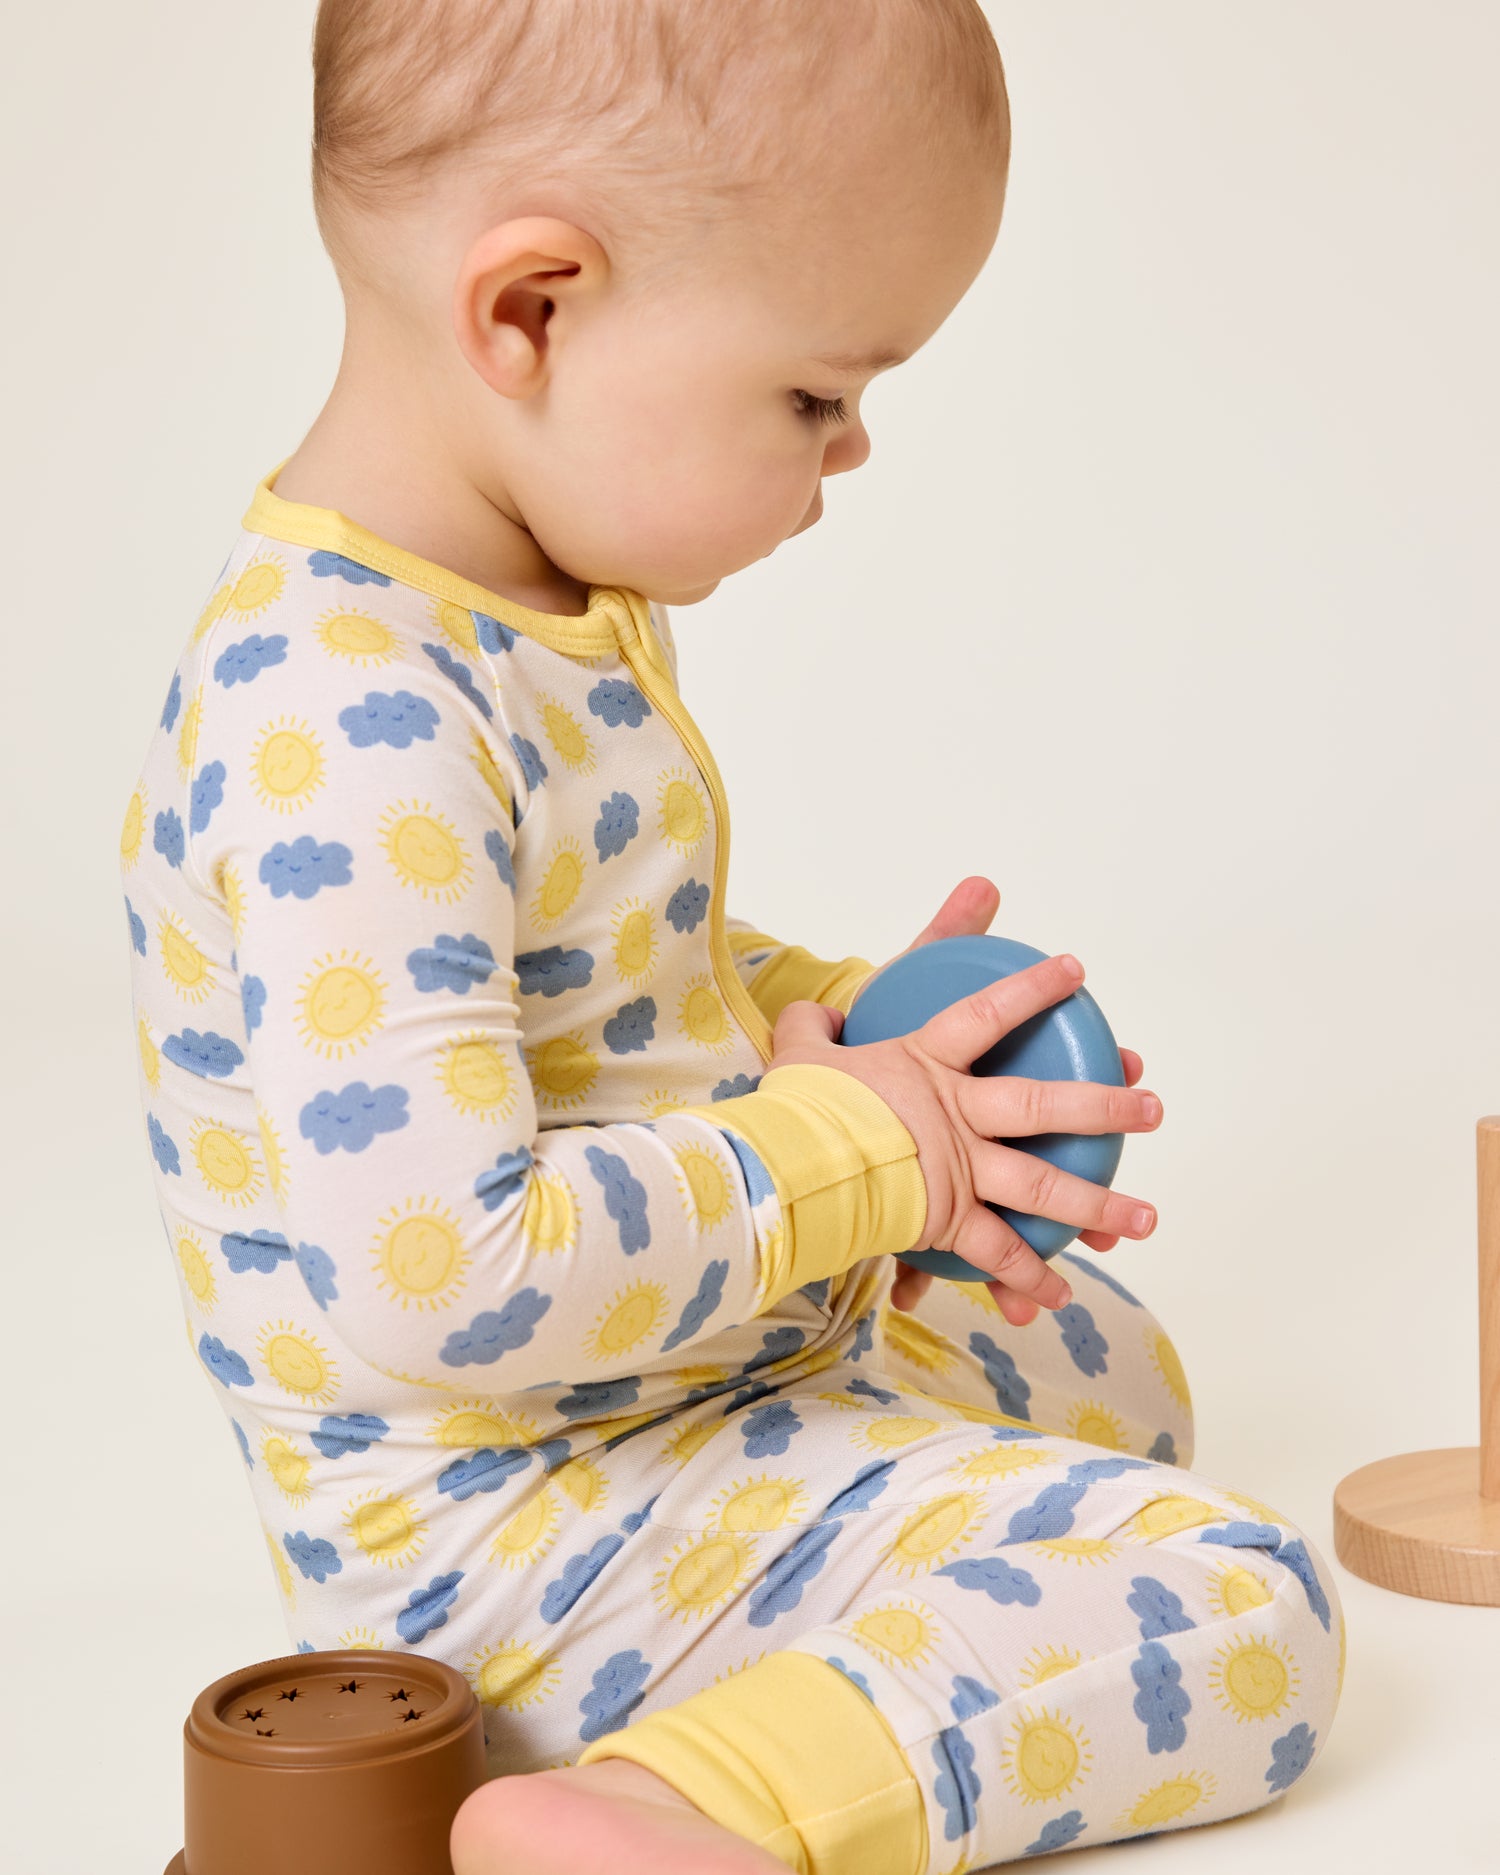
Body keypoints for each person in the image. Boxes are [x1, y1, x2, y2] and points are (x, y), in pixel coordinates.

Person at [119, 3, 1343, 1869]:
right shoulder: (343, 720)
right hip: (523, 1526)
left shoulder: (530, 598)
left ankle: (842, 1645)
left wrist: (830, 1023)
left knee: (1117, 1369)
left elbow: (589, 978)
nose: (852, 449)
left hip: (674, 1384)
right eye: (812, 395)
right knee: (1244, 1606)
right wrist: (858, 1153)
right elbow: (436, 1269)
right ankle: (658, 1803)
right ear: (532, 311)